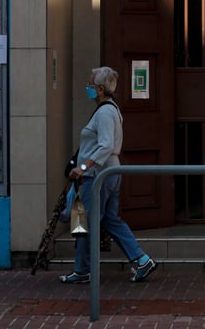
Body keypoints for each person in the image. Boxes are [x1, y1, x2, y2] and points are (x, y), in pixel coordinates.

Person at [60, 67, 157, 284]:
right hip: (110, 174)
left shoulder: (104, 112)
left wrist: (83, 168)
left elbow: (105, 145)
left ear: (101, 89)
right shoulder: (111, 110)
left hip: (98, 176)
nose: (89, 87)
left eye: (91, 84)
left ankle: (83, 269)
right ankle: (141, 259)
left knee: (84, 222)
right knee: (110, 219)